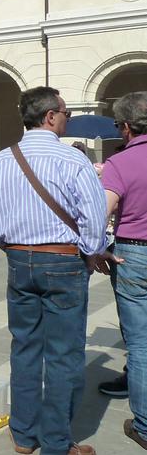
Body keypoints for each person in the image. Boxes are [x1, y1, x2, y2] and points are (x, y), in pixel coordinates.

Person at [0, 86, 107, 455]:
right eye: (64, 112)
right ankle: (55, 442)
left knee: (26, 347)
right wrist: (90, 253)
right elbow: (94, 220)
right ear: (50, 116)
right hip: (63, 261)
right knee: (64, 355)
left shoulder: (1, 160)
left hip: (19, 261)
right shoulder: (73, 160)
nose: (66, 118)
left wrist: (14, 246)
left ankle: (24, 435)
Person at [92, 91, 147, 449]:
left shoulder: (121, 162)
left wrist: (96, 249)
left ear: (126, 127)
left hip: (135, 254)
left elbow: (101, 211)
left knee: (141, 342)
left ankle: (144, 424)